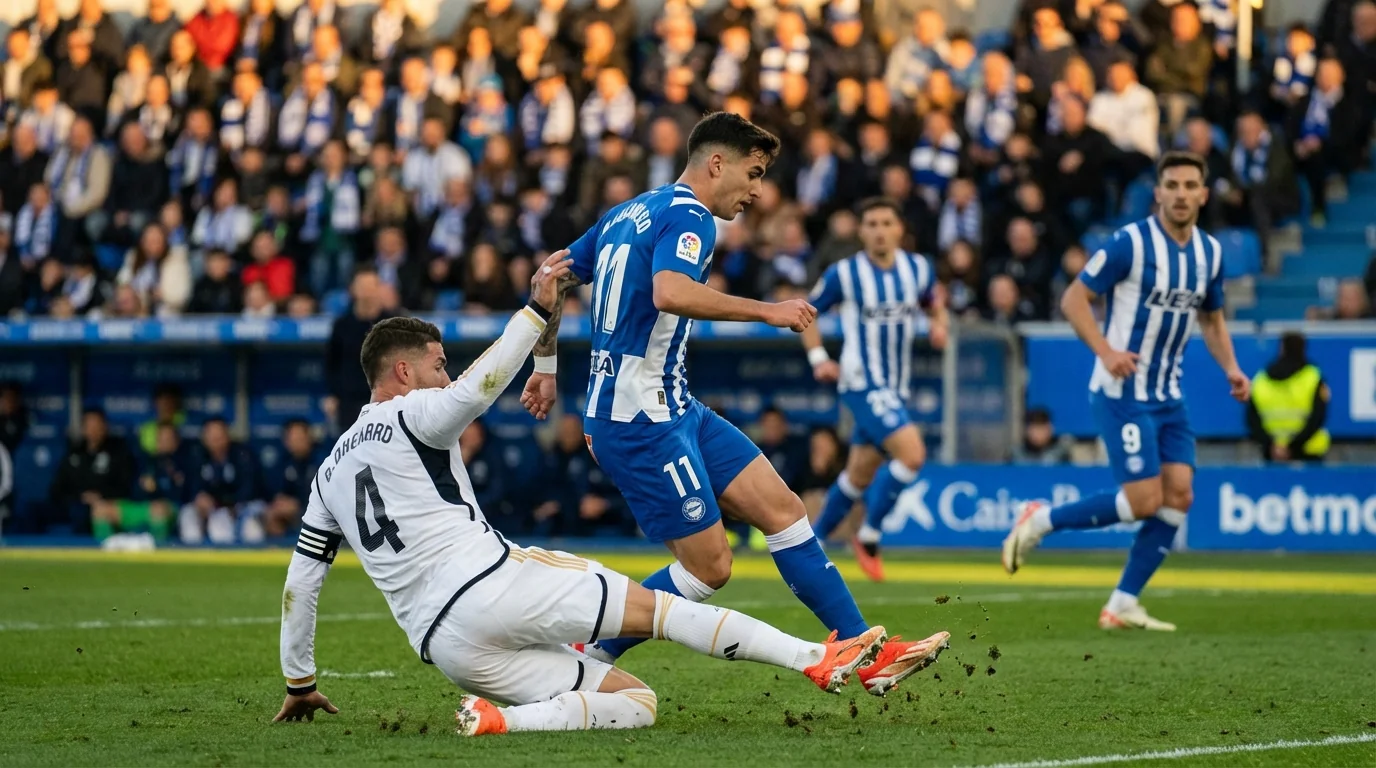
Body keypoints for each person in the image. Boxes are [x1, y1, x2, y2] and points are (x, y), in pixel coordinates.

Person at [272, 254, 949, 733]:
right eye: (436, 364)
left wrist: (299, 681)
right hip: (492, 585)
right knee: (661, 612)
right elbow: (476, 390)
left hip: (446, 647)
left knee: (635, 703)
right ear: (401, 371)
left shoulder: (328, 472)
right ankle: (817, 657)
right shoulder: (411, 412)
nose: (444, 374)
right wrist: (535, 312)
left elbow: (302, 583)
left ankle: (501, 721)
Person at [516, 112, 944, 695]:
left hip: (675, 406)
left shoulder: (629, 210)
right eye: (754, 173)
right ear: (717, 163)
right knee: (710, 567)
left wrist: (544, 368)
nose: (757, 191)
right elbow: (671, 291)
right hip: (638, 420)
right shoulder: (692, 215)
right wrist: (769, 311)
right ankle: (585, 652)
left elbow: (550, 275)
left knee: (784, 509)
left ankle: (864, 650)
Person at [1001, 152, 1252, 631]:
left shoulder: (1210, 254)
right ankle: (1040, 519)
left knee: (1179, 496)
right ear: (1158, 193)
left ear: (1204, 194)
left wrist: (1232, 368)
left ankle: (1121, 603)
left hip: (1168, 394)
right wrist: (1106, 350)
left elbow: (1212, 318)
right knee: (1143, 501)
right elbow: (1074, 299)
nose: (1181, 194)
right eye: (1172, 185)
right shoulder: (1130, 243)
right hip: (1122, 390)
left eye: (1190, 186)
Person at [802, 198, 948, 582]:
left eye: (886, 223)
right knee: (912, 455)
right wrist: (819, 358)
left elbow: (934, 300)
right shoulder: (845, 273)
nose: (879, 231)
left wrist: (939, 324)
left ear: (900, 229)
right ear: (861, 231)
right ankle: (868, 536)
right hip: (862, 380)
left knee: (859, 474)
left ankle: (810, 546)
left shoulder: (918, 268)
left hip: (896, 385)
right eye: (871, 224)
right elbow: (806, 313)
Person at [1248, 332, 1331, 463]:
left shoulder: (1261, 379)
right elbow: (1317, 418)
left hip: (1272, 456)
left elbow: (1252, 419)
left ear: (1281, 349)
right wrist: (1292, 447)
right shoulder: (1313, 377)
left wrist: (1271, 446)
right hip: (1309, 454)